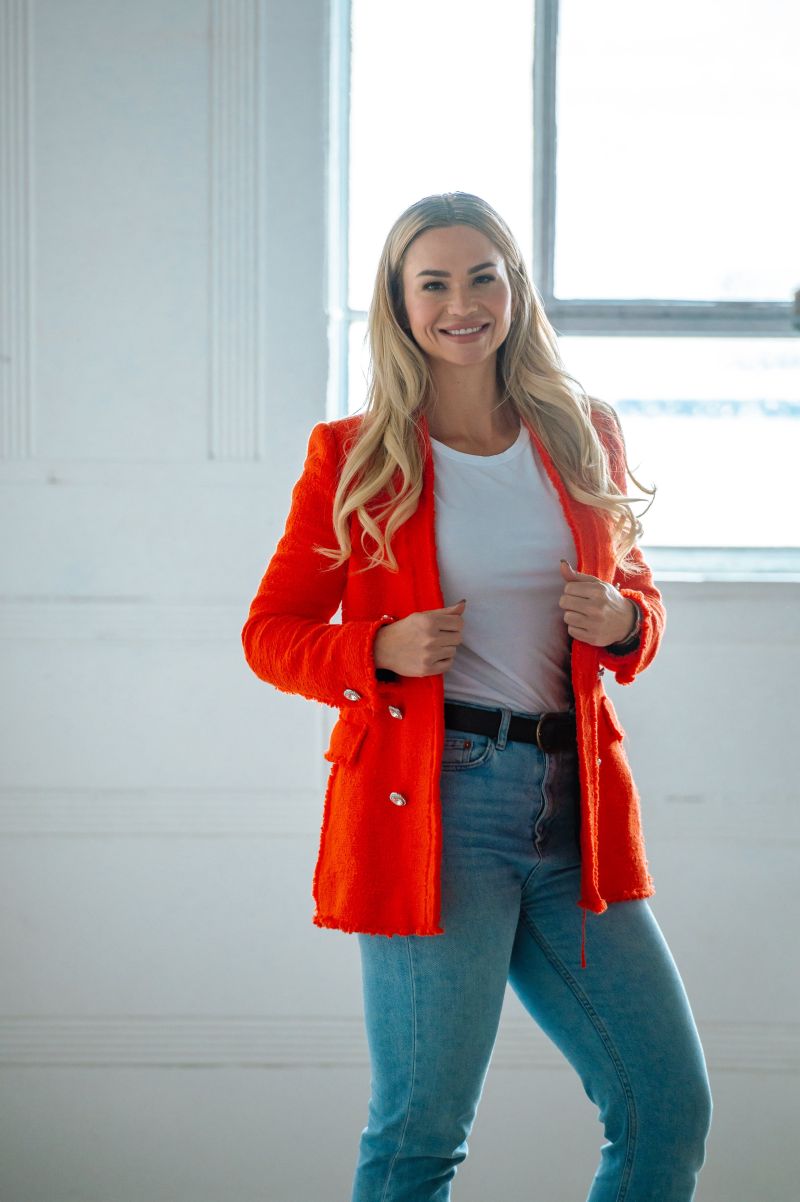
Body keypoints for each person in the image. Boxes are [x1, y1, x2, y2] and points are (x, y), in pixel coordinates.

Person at [241, 192, 712, 1202]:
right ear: (401, 305)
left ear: (513, 287)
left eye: (482, 275)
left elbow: (640, 599)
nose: (462, 302)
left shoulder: (580, 433)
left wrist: (626, 625)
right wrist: (379, 646)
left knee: (665, 1106)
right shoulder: (354, 455)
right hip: (435, 809)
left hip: (571, 807)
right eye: (434, 282)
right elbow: (269, 634)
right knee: (420, 1132)